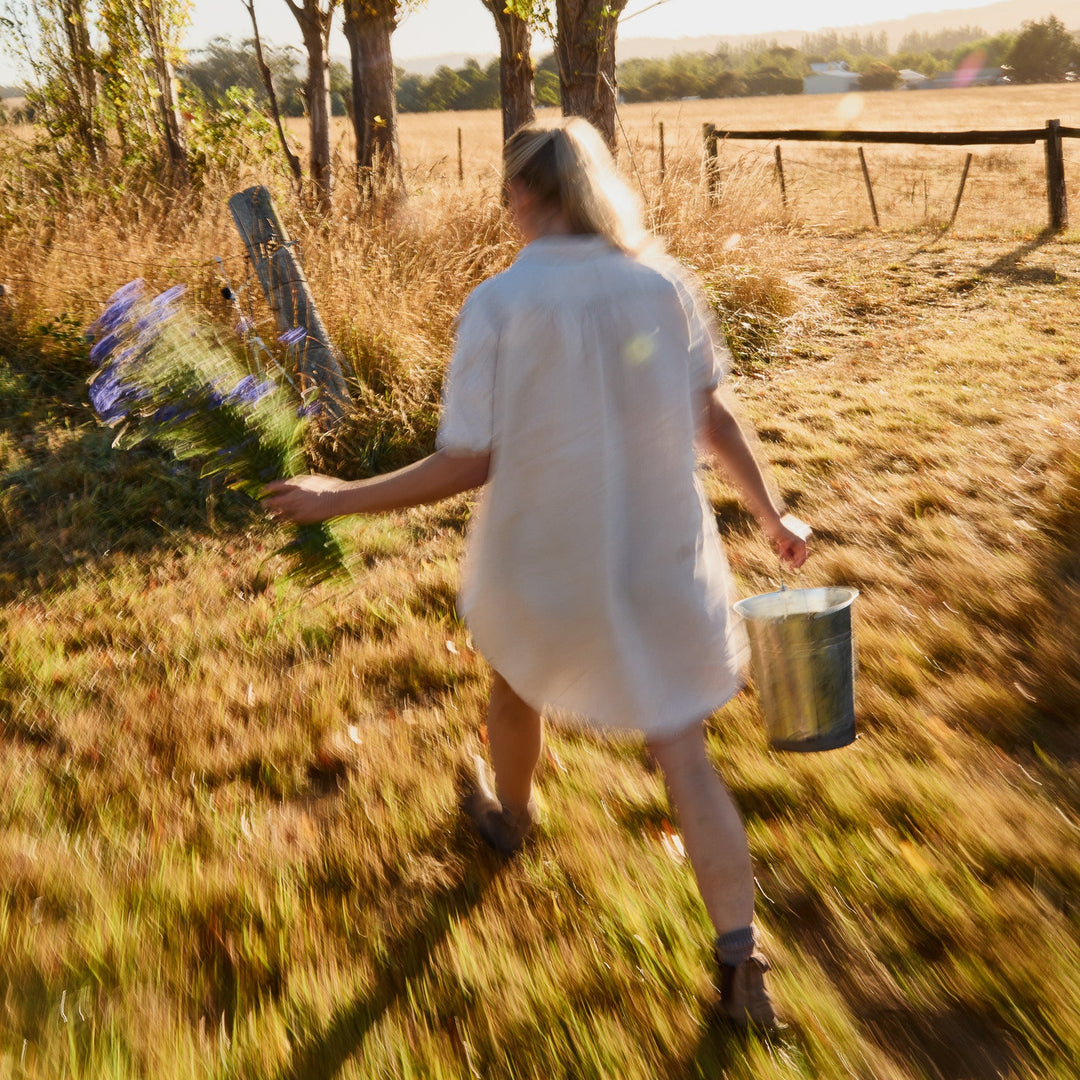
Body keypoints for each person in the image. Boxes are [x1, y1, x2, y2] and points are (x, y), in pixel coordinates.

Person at [263, 118, 809, 1030]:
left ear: (519, 195)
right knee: (683, 754)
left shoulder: (500, 304)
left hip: (543, 558)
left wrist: (336, 496)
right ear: (594, 186)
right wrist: (772, 513)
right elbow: (711, 418)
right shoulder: (663, 282)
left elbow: (466, 462)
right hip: (660, 559)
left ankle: (510, 820)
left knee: (515, 681)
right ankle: (741, 961)